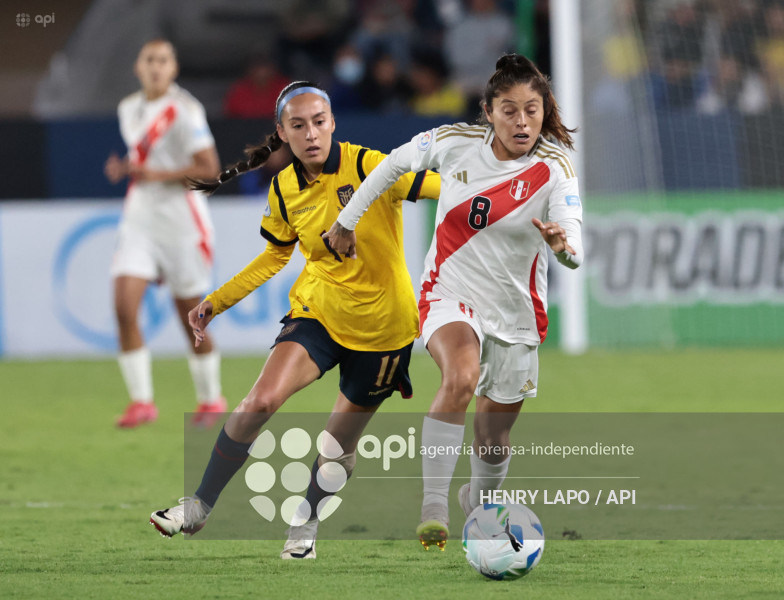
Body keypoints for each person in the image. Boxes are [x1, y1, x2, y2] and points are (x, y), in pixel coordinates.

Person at [149, 81, 440, 559]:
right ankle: (199, 504)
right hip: (319, 312)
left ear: (333, 124)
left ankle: (304, 526)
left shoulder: (371, 166)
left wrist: (485, 187)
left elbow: (440, 186)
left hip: (385, 330)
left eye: (320, 122)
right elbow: (273, 257)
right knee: (259, 401)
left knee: (335, 448)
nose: (311, 134)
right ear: (281, 132)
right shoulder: (284, 188)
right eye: (299, 125)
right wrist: (215, 301)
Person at [325, 53, 584, 550]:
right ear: (488, 111)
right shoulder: (454, 143)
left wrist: (562, 249)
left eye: (532, 110)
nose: (522, 121)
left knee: (494, 436)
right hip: (450, 291)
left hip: (517, 312)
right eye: (509, 110)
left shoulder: (555, 167)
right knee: (460, 376)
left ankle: (480, 505)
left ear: (543, 110)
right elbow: (388, 168)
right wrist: (346, 221)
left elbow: (573, 242)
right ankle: (433, 509)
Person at [104, 39, 226, 429]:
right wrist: (126, 169)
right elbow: (147, 159)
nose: (156, 67)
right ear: (139, 67)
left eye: (163, 61)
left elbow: (210, 168)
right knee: (124, 307)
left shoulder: (186, 110)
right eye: (149, 60)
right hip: (140, 217)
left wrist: (158, 175)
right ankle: (141, 402)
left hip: (181, 222)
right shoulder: (128, 108)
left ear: (173, 69)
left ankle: (211, 399)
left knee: (189, 318)